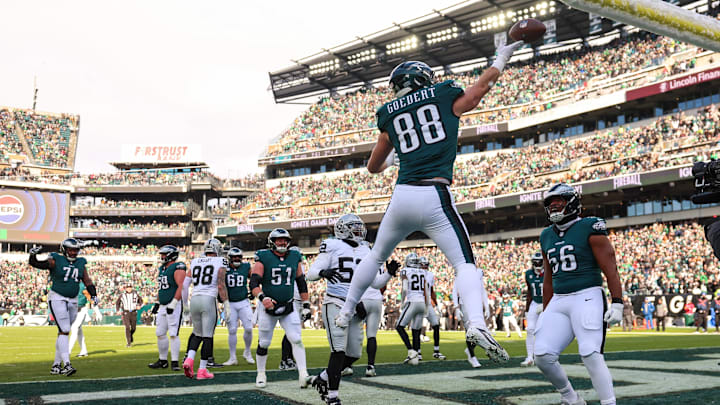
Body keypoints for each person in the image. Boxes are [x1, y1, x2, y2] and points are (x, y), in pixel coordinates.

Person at [333, 41, 525, 364]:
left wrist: (395, 155)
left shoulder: (389, 114)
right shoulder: (442, 95)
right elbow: (477, 92)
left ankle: (346, 309)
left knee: (378, 253)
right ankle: (476, 324)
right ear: (423, 80)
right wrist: (501, 58)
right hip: (435, 194)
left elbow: (372, 166)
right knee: (465, 265)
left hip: (403, 195)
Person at [535, 183, 623, 405]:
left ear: (572, 203)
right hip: (559, 300)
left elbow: (610, 266)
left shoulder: (589, 225)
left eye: (559, 201)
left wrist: (618, 301)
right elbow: (548, 279)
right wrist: (546, 311)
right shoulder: (546, 235)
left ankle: (609, 403)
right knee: (543, 355)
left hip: (587, 295)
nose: (554, 206)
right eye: (550, 204)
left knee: (590, 352)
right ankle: (571, 397)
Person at [307, 214, 395, 405]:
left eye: (359, 227)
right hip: (335, 302)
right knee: (338, 350)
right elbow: (310, 273)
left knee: (353, 354)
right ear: (343, 229)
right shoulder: (331, 245)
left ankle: (323, 377)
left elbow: (374, 282)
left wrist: (389, 273)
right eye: (354, 227)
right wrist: (323, 272)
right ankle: (332, 397)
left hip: (355, 305)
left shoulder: (365, 249)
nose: (359, 231)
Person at [250, 228, 311, 389]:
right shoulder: (263, 257)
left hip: (288, 305)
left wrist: (306, 304)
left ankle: (303, 373)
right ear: (272, 242)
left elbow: (301, 282)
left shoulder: (294, 256)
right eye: (279, 240)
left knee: (296, 338)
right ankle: (261, 373)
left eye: (285, 240)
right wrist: (263, 298)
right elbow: (254, 283)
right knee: (264, 342)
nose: (283, 242)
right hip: (268, 306)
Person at [29, 239, 99, 376]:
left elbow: (87, 280)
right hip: (57, 297)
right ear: (64, 249)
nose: (73, 252)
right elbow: (37, 264)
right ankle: (67, 364)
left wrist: (94, 294)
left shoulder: (80, 262)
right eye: (71, 250)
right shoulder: (56, 259)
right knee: (65, 329)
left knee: (63, 332)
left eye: (75, 250)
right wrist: (32, 256)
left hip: (73, 300)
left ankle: (56, 365)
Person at [182, 238, 229, 380]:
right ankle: (202, 370)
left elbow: (184, 285)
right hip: (208, 300)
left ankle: (189, 359)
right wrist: (226, 303)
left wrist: (185, 305)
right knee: (208, 336)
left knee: (197, 333)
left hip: (194, 299)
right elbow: (220, 284)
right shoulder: (220, 261)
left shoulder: (195, 261)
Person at [359, 242, 394, 377]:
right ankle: (370, 366)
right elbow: (382, 284)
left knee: (354, 334)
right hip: (376, 299)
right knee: (372, 336)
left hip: (362, 299)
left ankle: (347, 365)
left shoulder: (361, 258)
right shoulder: (379, 260)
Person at [148, 245, 186, 371]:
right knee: (160, 333)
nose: (162, 256)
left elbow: (181, 286)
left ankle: (174, 362)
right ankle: (162, 360)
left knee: (174, 333)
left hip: (173, 304)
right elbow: (162, 288)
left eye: (164, 254)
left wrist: (174, 303)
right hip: (163, 305)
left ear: (171, 255)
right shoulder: (162, 269)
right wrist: (157, 303)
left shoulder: (178, 266)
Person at [222, 247, 255, 366]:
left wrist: (253, 290)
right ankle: (232, 357)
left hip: (243, 301)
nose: (237, 259)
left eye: (239, 257)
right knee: (232, 330)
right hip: (230, 303)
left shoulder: (246, 267)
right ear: (229, 258)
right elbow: (220, 283)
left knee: (249, 328)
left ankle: (247, 352)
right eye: (234, 257)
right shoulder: (224, 268)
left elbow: (254, 279)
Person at [396, 253, 427, 365]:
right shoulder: (423, 272)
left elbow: (404, 288)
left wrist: (402, 301)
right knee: (416, 330)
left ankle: (411, 351)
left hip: (412, 301)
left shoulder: (405, 271)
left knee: (399, 326)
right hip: (422, 302)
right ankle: (417, 355)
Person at [419, 256, 446, 361]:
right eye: (423, 265)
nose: (425, 267)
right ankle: (418, 352)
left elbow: (431, 291)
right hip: (418, 302)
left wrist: (437, 304)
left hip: (428, 304)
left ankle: (436, 351)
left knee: (435, 325)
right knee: (417, 328)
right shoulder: (416, 273)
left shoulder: (430, 275)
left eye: (426, 265)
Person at [521, 251, 544, 367]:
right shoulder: (529, 274)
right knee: (530, 329)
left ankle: (546, 356)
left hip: (548, 303)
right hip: (535, 303)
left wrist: (547, 304)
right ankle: (530, 357)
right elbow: (530, 292)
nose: (537, 264)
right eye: (535, 262)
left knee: (544, 331)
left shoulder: (549, 273)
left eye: (539, 262)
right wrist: (527, 308)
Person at [452, 282, 482, 368]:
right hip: (465, 305)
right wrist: (457, 308)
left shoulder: (477, 273)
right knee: (469, 331)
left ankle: (470, 350)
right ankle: (473, 357)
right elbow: (454, 292)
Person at [68, 282, 91, 357]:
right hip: (74, 310)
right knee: (79, 331)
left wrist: (96, 309)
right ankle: (84, 351)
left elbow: (89, 295)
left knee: (74, 328)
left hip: (81, 310)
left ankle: (68, 351)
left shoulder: (81, 285)